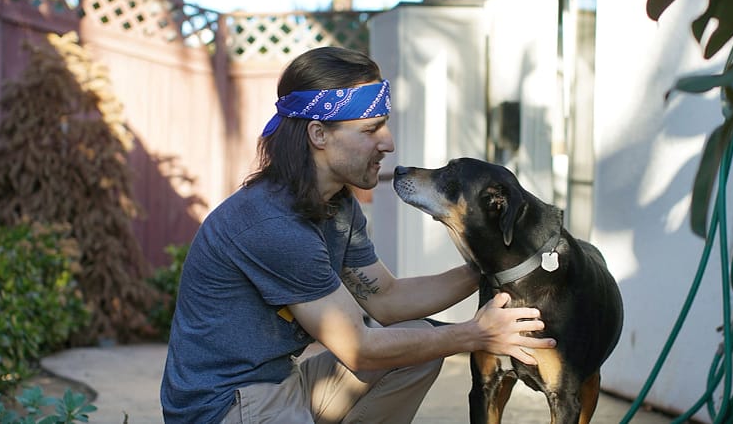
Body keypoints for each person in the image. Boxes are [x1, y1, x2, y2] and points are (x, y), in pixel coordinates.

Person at [160, 46, 556, 424]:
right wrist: (474, 334)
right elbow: (357, 348)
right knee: (424, 343)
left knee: (418, 344)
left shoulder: (336, 205)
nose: (388, 142)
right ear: (319, 135)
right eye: (371, 129)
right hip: (227, 406)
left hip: (281, 383)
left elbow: (386, 298)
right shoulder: (273, 225)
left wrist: (493, 262)